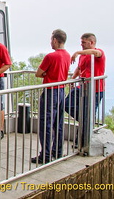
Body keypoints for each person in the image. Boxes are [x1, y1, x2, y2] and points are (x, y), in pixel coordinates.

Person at [32, 29, 71, 164]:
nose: (51, 43)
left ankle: (45, 155)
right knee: (58, 123)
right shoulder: (67, 55)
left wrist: (45, 74)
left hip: (50, 91)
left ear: (55, 40)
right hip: (61, 91)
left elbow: (38, 73)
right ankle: (57, 151)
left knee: (46, 124)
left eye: (51, 40)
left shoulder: (51, 56)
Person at [65, 33, 105, 148]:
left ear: (91, 42)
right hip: (81, 88)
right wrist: (72, 80)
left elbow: (96, 53)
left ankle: (80, 142)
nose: (81, 45)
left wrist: (78, 53)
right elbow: (79, 68)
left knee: (88, 114)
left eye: (83, 42)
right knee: (67, 104)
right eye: (81, 42)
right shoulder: (83, 56)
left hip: (95, 90)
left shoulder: (98, 53)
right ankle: (86, 121)